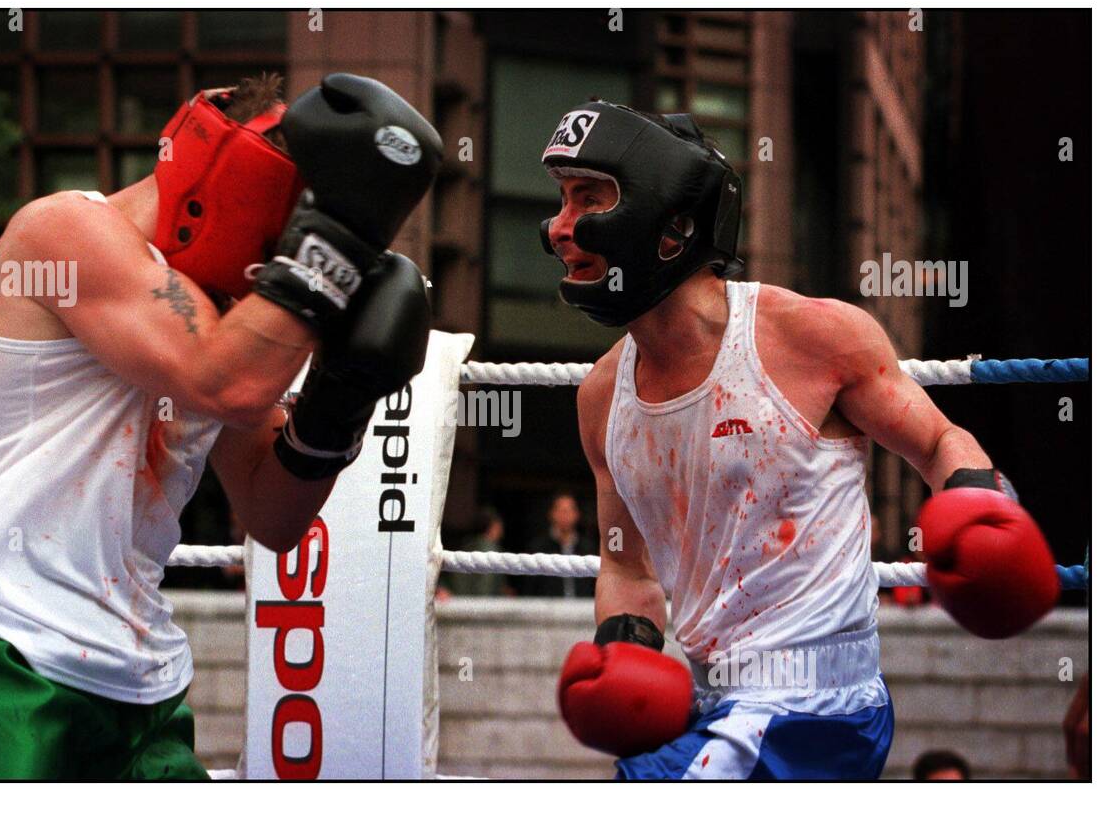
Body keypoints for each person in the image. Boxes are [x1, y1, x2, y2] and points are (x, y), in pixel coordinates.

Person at [0, 73, 442, 779]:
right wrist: (341, 236)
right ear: (241, 174)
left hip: (144, 676)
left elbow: (271, 514)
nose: (280, 257)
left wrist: (340, 400)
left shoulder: (226, 317)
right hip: (9, 643)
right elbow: (222, 381)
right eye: (289, 230)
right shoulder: (66, 231)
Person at [544, 100, 1059, 779]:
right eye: (561, 201)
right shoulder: (602, 397)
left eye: (588, 198)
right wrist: (624, 648)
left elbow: (938, 441)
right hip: (712, 705)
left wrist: (982, 509)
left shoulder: (810, 337)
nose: (559, 228)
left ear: (668, 223)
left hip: (818, 707)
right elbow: (627, 565)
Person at [521, 492, 596, 598]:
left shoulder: (588, 548)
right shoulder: (538, 547)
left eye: (569, 510)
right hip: (546, 611)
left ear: (577, 514)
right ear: (552, 513)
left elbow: (594, 585)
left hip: (584, 610)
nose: (565, 515)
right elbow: (529, 587)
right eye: (561, 510)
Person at [441, 507, 512, 597]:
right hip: (475, 604)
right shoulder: (489, 548)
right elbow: (484, 586)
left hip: (460, 601)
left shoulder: (467, 544)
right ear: (494, 526)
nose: (502, 529)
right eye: (499, 525)